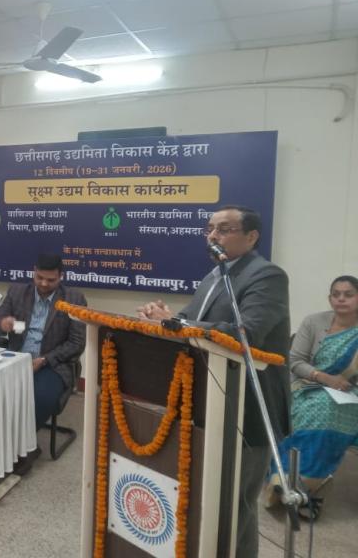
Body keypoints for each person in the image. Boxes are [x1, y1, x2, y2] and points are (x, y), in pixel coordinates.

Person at [137, 205, 291, 558]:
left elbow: (245, 332)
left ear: (251, 236)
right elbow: (191, 321)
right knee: (212, 498)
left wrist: (177, 323)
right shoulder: (214, 276)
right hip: (210, 398)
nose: (212, 236)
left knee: (235, 505)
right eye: (209, 228)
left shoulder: (267, 275)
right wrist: (164, 318)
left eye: (223, 229)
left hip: (248, 405)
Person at [265, 275, 358, 518]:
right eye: (336, 294)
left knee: (334, 409)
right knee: (320, 407)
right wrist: (325, 378)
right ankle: (299, 484)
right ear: (329, 298)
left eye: (348, 294)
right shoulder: (313, 322)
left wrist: (344, 383)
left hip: (350, 393)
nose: (341, 299)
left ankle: (305, 485)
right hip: (308, 385)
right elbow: (295, 361)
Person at [0, 253, 87, 474]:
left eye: (51, 280)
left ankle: (24, 448)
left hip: (53, 363)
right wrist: (2, 324)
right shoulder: (17, 292)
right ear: (34, 272)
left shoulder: (74, 299)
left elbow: (77, 343)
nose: (44, 284)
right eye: (39, 277)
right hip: (15, 359)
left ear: (61, 277)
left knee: (39, 397)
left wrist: (44, 360)